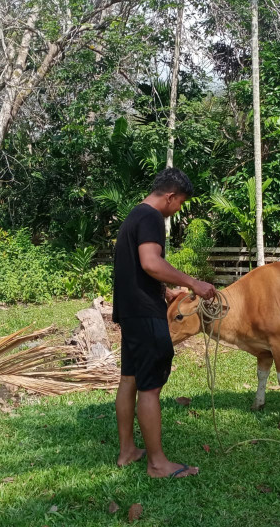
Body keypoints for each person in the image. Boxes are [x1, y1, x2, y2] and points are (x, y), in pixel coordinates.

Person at [112, 167, 217, 478]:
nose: (178, 209)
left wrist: (166, 290)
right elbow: (150, 262)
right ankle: (157, 464)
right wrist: (194, 283)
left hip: (131, 311)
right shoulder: (151, 218)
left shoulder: (134, 215)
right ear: (170, 196)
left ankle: (128, 450)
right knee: (150, 388)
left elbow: (137, 269)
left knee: (129, 379)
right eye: (180, 203)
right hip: (145, 316)